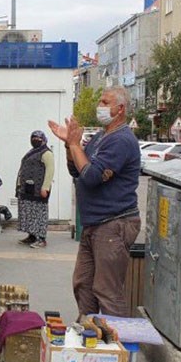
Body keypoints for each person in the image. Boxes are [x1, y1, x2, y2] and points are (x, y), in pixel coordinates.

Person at [48, 86, 141, 318]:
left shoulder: (122, 140)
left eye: (105, 102)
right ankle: (88, 331)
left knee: (107, 291)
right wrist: (69, 145)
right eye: (100, 101)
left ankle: (116, 338)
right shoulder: (101, 137)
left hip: (113, 224)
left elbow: (91, 176)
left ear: (120, 109)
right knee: (83, 285)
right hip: (94, 223)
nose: (99, 106)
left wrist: (74, 144)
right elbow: (77, 170)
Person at [16, 131, 54, 249]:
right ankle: (32, 236)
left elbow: (50, 170)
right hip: (28, 189)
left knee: (39, 213)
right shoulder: (32, 151)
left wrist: (45, 187)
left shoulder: (46, 153)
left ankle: (41, 239)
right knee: (29, 212)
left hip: (39, 189)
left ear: (44, 139)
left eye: (38, 138)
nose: (35, 140)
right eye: (33, 138)